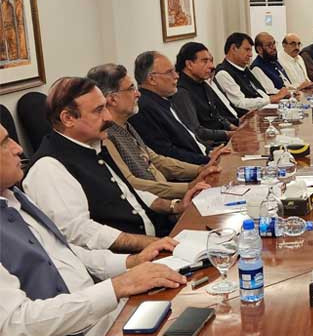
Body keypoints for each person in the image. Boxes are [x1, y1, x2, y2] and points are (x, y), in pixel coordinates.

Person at [0, 123, 187, 336]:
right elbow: (13, 323)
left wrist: (130, 262)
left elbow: (63, 253)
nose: (18, 148)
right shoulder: (44, 170)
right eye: (4, 143)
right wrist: (117, 287)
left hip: (106, 317)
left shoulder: (13, 197)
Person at [23, 77, 209, 245]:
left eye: (105, 107)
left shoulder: (93, 144)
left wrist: (175, 206)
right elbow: (79, 233)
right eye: (98, 110)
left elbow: (126, 192)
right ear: (68, 118)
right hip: (130, 260)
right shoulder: (48, 167)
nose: (108, 117)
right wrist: (152, 243)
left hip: (156, 238)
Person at [88, 63, 222, 200]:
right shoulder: (105, 136)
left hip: (169, 196)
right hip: (157, 205)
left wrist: (201, 169)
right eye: (131, 88)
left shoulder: (126, 124)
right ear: (112, 99)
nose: (138, 94)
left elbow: (156, 160)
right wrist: (188, 187)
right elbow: (132, 183)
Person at [130, 51, 229, 165]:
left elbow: (190, 137)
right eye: (169, 72)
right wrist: (207, 159)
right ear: (152, 79)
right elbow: (166, 152)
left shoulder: (163, 99)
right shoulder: (144, 108)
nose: (176, 76)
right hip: (195, 168)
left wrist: (210, 152)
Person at [172, 42, 239, 146]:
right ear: (189, 64)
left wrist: (235, 128)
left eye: (211, 61)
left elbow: (216, 116)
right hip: (211, 146)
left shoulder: (202, 83)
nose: (211, 66)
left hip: (223, 139)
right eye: (205, 61)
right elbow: (197, 131)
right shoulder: (181, 92)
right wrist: (228, 134)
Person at [214, 32, 290, 114]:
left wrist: (278, 97)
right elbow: (240, 103)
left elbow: (259, 92)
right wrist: (271, 99)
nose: (250, 55)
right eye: (247, 50)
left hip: (261, 112)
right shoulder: (223, 73)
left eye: (250, 50)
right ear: (233, 48)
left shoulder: (244, 69)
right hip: (246, 118)